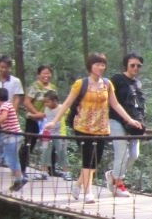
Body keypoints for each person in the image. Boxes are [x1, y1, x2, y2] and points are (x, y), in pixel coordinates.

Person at [46, 52, 143, 203]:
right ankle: (88, 192)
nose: (100, 67)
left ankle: (78, 185)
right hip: (83, 127)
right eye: (97, 64)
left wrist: (130, 120)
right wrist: (55, 121)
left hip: (101, 127)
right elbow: (67, 103)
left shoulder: (107, 84)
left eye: (102, 64)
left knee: (94, 161)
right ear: (90, 66)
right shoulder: (81, 83)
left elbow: (115, 104)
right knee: (87, 159)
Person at [106, 53, 146, 197]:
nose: (136, 68)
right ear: (126, 65)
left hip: (134, 123)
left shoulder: (137, 83)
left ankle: (113, 174)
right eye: (132, 65)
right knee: (121, 153)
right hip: (117, 120)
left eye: (138, 66)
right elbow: (111, 101)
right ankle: (118, 185)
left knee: (134, 154)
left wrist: (141, 121)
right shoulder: (116, 80)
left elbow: (139, 105)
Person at [20, 64, 57, 174]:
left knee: (51, 144)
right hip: (33, 119)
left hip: (48, 120)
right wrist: (37, 113)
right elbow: (27, 102)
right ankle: (21, 168)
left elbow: (55, 102)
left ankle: (52, 170)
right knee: (29, 143)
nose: (46, 75)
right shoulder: (34, 86)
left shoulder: (53, 88)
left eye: (48, 73)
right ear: (39, 74)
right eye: (44, 73)